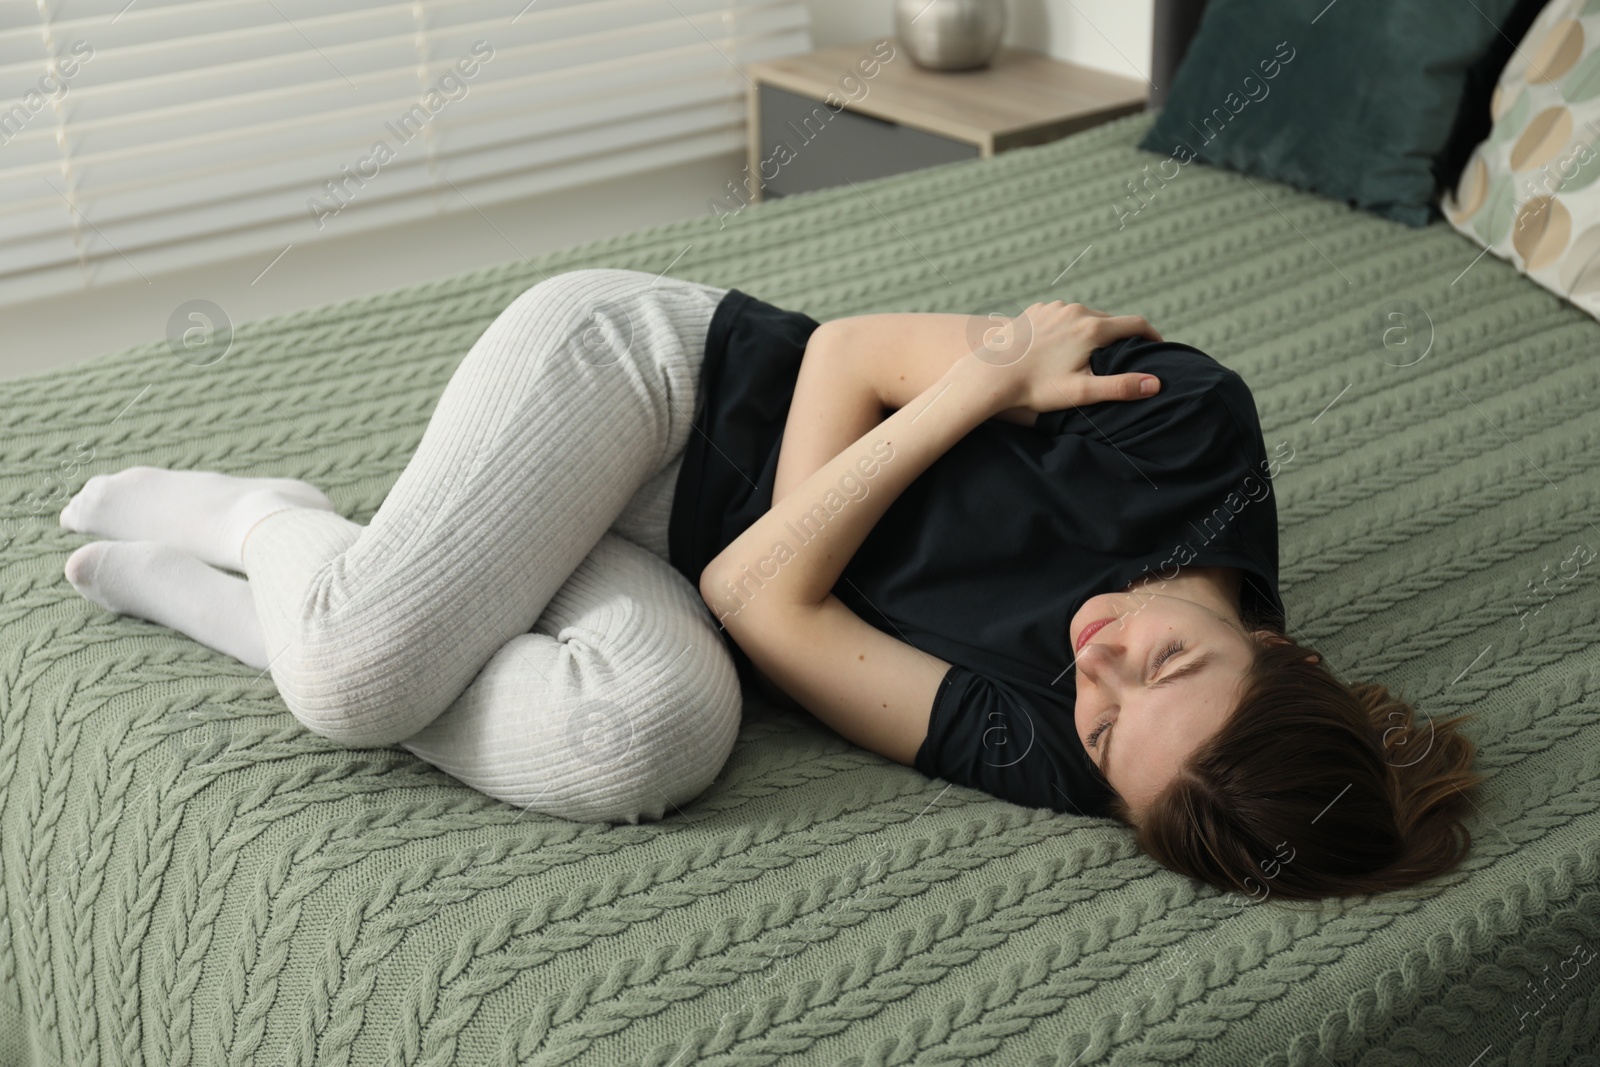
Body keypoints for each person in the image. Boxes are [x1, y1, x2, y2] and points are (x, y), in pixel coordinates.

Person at [58, 267, 1482, 899]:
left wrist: (981, 387)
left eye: (1107, 727)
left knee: (654, 741)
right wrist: (942, 400)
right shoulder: (1185, 429)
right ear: (1283, 652)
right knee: (353, 678)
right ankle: (259, 525)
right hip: (649, 382)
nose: (1094, 661)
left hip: (680, 562)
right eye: (1169, 663)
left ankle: (408, 570)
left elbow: (752, 602)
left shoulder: (1079, 761)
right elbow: (846, 352)